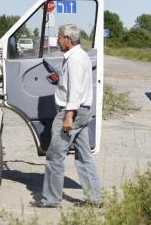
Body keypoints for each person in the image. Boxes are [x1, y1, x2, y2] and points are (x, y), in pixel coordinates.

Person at [35, 24, 101, 208]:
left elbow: (75, 91)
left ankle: (51, 200)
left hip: (71, 112)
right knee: (84, 155)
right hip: (82, 112)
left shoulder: (74, 60)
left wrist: (68, 116)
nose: (57, 40)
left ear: (68, 39)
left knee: (55, 155)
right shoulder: (81, 56)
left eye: (59, 37)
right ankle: (95, 199)